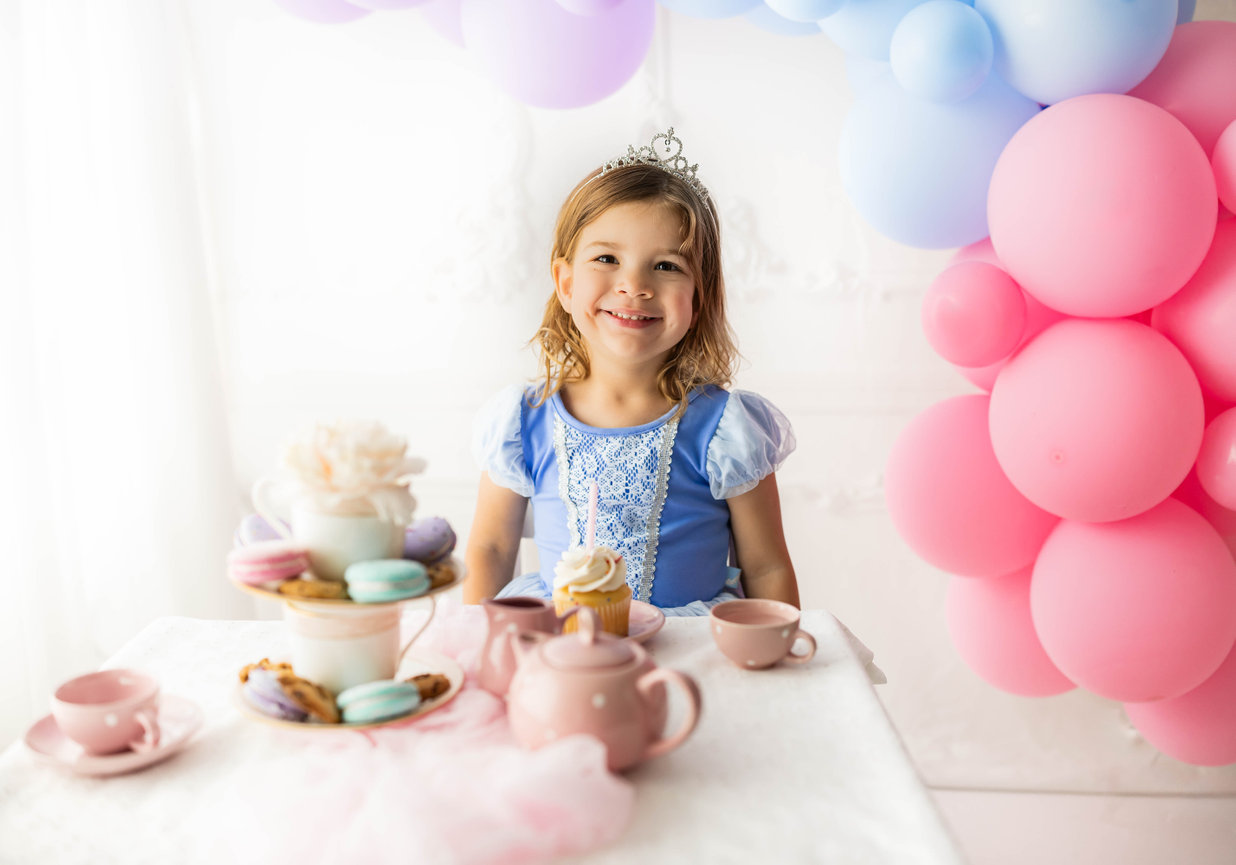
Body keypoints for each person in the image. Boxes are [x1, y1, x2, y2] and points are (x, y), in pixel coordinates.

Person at [464, 128, 800, 615]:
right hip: (565, 651)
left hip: (690, 651)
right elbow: (491, 549)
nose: (634, 285)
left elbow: (766, 565)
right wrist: (480, 644)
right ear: (566, 281)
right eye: (606, 259)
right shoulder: (522, 420)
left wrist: (780, 666)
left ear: (698, 296)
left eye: (665, 265)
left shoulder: (727, 429)